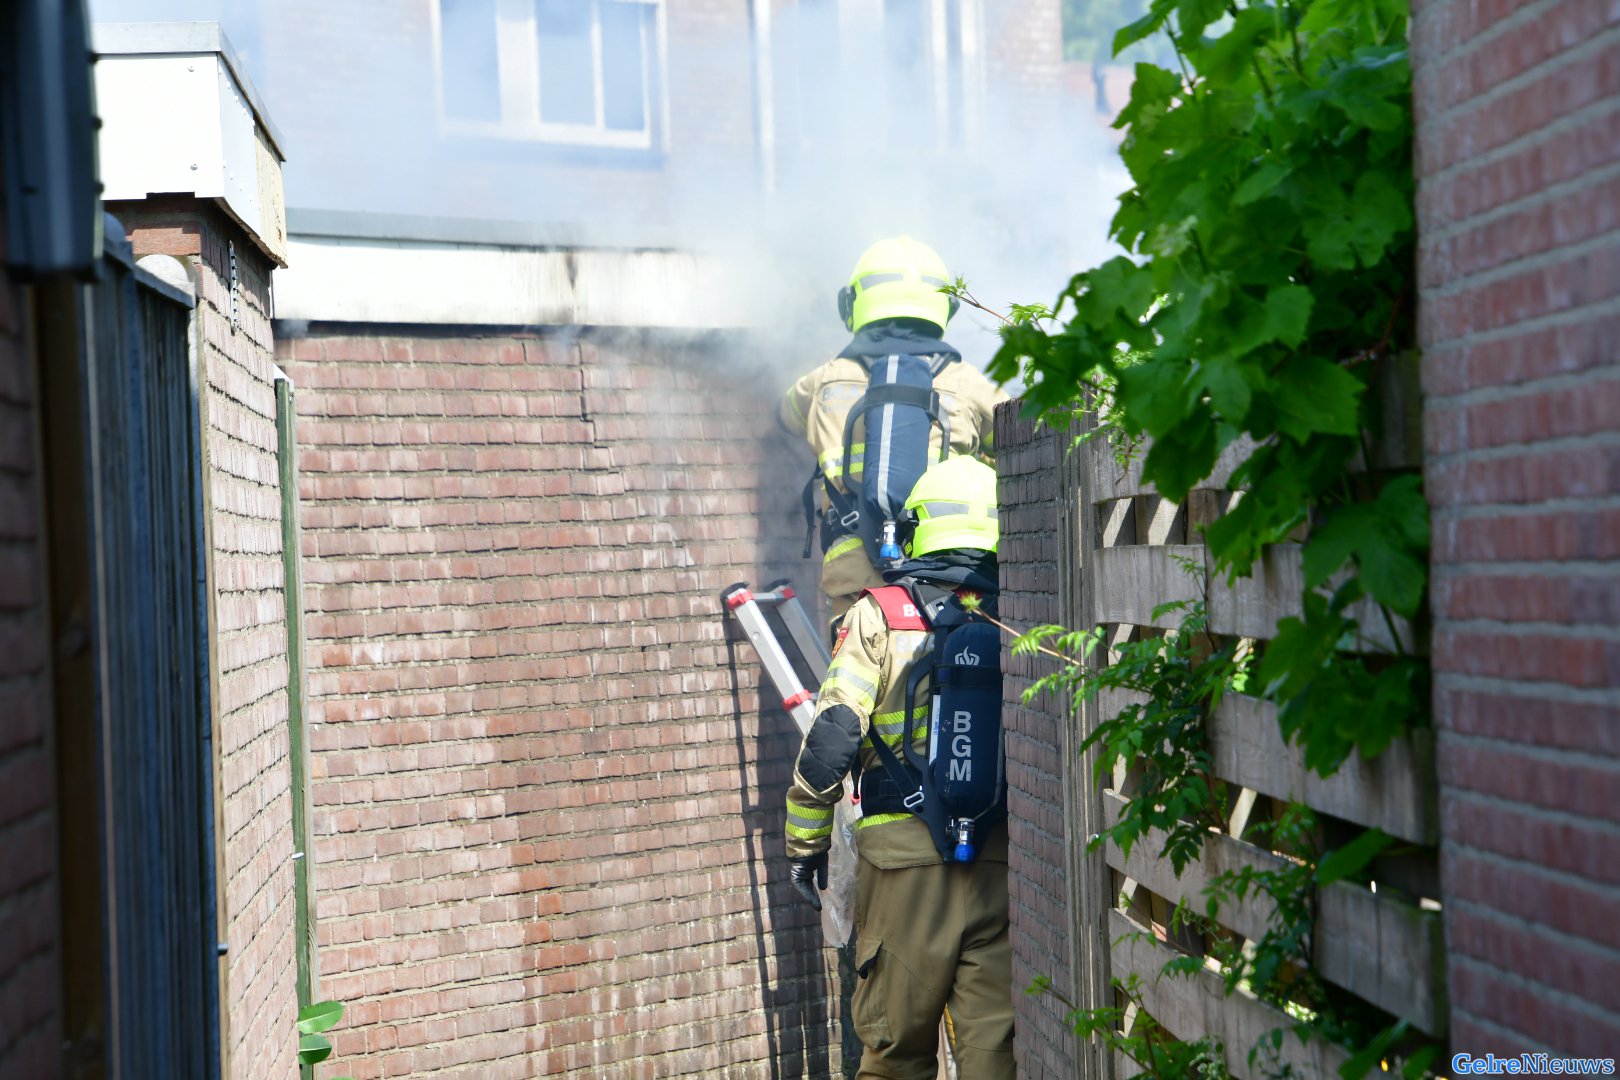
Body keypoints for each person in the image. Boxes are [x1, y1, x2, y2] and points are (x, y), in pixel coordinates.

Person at [783, 455, 1013, 1080]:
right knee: (995, 1059)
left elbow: (833, 736)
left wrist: (805, 846)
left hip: (902, 864)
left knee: (895, 1058)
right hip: (999, 861)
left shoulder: (879, 613)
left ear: (918, 528)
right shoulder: (1022, 614)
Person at [778, 236, 1008, 629]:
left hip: (854, 576)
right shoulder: (966, 383)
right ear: (945, 306)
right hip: (945, 573)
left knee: (860, 679)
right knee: (945, 678)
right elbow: (1022, 435)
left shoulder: (826, 380)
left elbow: (787, 416)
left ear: (853, 304)